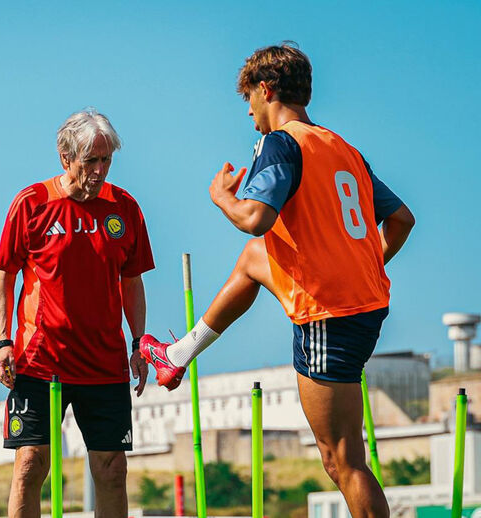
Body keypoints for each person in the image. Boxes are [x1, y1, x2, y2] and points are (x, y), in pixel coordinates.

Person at [141, 43, 415, 518]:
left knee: (342, 461)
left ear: (265, 90)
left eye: (248, 99)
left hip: (329, 315)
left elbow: (255, 218)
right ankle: (177, 355)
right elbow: (402, 220)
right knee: (254, 259)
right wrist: (362, 265)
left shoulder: (280, 142)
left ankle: (178, 357)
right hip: (365, 303)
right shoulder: (340, 146)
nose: (249, 114)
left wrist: (221, 197)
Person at [0, 108, 154, 518]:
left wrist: (140, 344)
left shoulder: (125, 208)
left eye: (107, 160)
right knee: (31, 465)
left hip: (104, 364)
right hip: (39, 362)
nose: (100, 171)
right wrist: (3, 342)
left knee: (112, 470)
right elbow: (4, 276)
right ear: (66, 158)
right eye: (91, 161)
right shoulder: (31, 203)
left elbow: (132, 282)